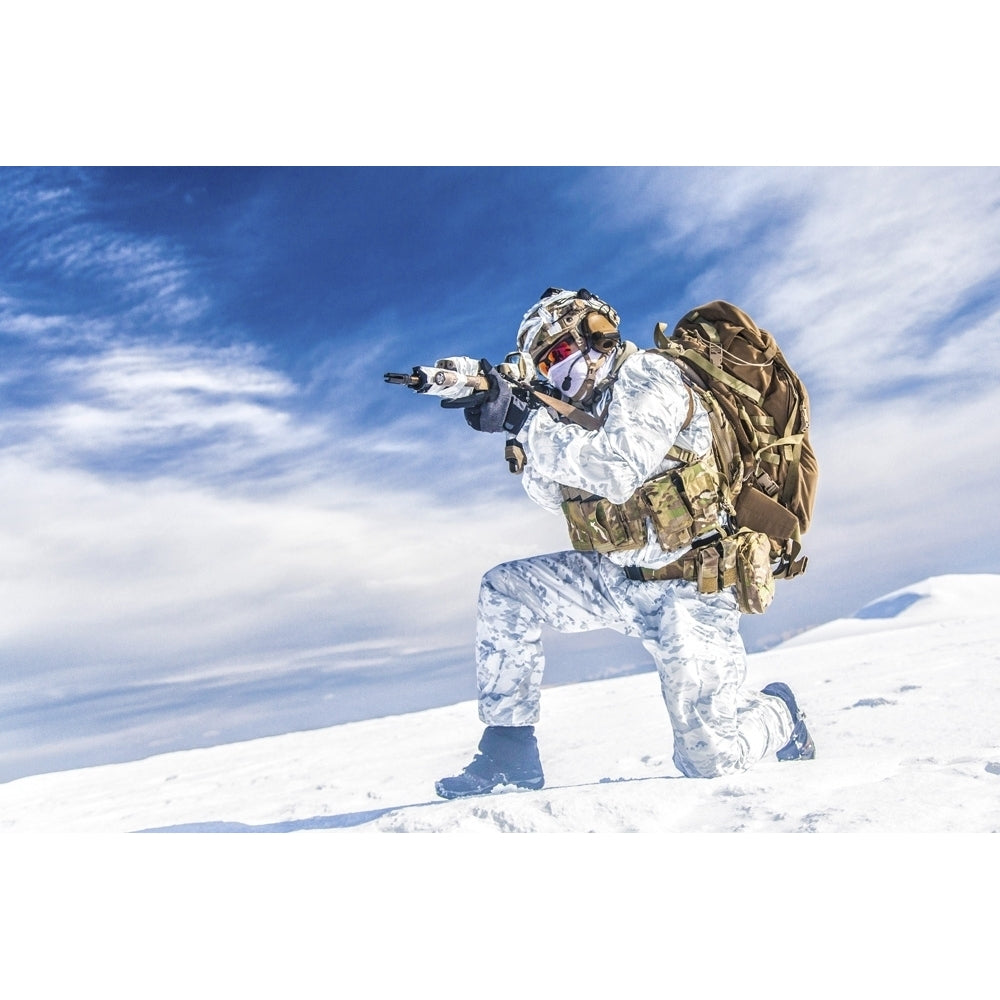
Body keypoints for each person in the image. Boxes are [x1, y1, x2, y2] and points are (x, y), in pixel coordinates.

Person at [435, 288, 815, 799]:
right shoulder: (578, 415)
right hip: (616, 578)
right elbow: (556, 497)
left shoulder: (651, 377)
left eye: (559, 354)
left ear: (597, 333)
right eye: (545, 365)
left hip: (691, 586)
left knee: (709, 758)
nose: (557, 372)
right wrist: (528, 429)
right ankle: (509, 752)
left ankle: (779, 713)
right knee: (505, 590)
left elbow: (616, 470)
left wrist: (526, 420)